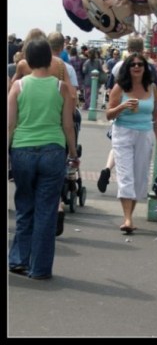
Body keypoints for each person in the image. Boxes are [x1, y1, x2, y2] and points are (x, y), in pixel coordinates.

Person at [8, 37, 78, 279]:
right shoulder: (62, 88)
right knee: (47, 211)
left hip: (22, 150)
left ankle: (18, 259)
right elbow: (68, 125)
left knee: (25, 206)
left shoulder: (19, 86)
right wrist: (73, 153)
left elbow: (10, 125)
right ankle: (39, 268)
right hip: (53, 150)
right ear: (50, 60)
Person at [105, 53, 157, 233]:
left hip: (145, 133)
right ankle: (128, 219)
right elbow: (108, 114)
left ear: (145, 68)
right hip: (123, 132)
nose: (136, 67)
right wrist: (122, 107)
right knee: (125, 175)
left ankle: (131, 213)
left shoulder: (152, 88)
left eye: (140, 64)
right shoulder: (120, 87)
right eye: (133, 65)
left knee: (139, 176)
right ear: (127, 68)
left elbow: (156, 117)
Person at [97, 34, 157, 193]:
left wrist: (117, 102)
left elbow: (111, 88)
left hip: (122, 112)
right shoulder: (149, 67)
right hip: (144, 116)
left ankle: (107, 168)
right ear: (142, 48)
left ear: (128, 48)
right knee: (134, 155)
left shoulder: (119, 65)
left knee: (119, 146)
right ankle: (129, 186)